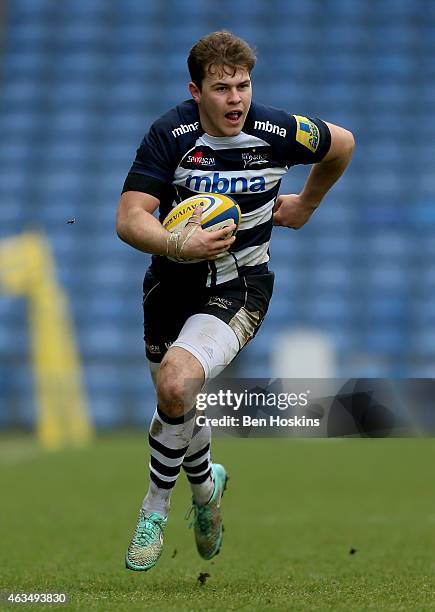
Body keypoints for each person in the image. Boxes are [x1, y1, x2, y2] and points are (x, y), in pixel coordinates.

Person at [116, 30, 355, 572]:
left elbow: (342, 144)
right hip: (169, 288)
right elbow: (129, 219)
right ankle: (207, 492)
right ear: (195, 90)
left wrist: (307, 204)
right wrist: (179, 242)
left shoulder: (276, 130)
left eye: (243, 86)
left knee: (178, 384)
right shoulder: (170, 134)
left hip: (237, 288)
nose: (236, 100)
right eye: (221, 88)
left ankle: (154, 507)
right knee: (176, 403)